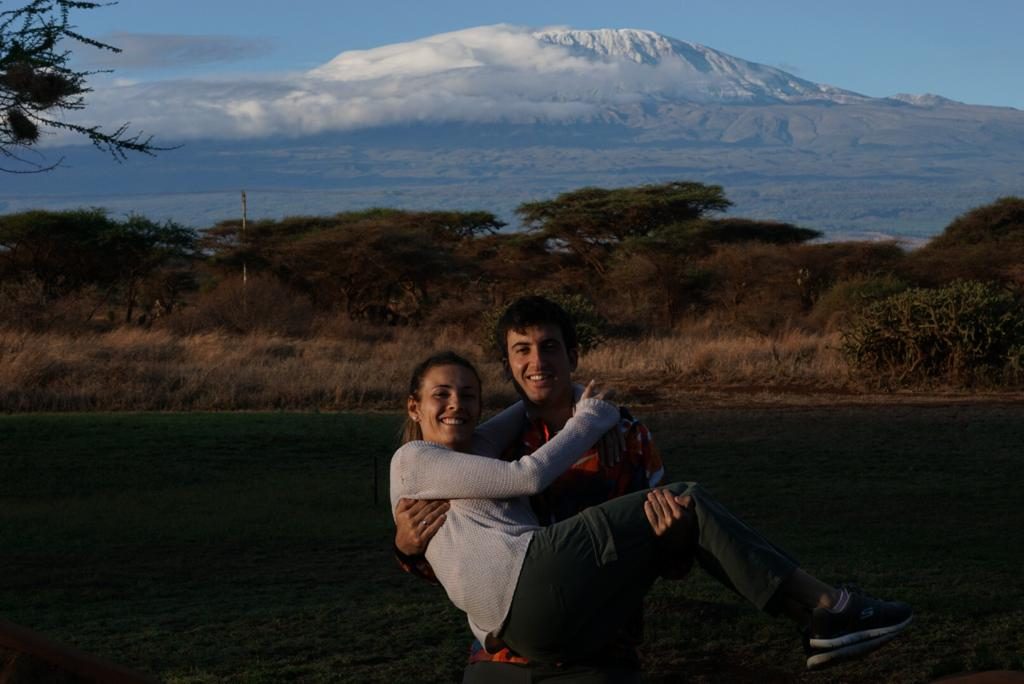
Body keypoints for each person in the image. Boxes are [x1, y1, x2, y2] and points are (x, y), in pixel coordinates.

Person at [390, 350, 913, 672]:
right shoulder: (415, 458)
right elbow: (526, 476)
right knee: (685, 496)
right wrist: (593, 420)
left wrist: (593, 406)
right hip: (527, 585)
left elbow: (530, 405)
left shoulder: (471, 449)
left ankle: (817, 619)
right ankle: (829, 604)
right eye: (441, 395)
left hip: (527, 626)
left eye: (469, 394)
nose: (457, 403)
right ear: (414, 407)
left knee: (679, 511)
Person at [394, 297, 674, 682]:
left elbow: (668, 554)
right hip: (501, 657)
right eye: (522, 350)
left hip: (599, 651)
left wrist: (670, 539)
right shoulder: (487, 451)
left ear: (573, 356)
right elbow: (466, 563)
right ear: (508, 364)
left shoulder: (627, 439)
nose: (537, 362)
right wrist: (408, 550)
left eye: (549, 347)